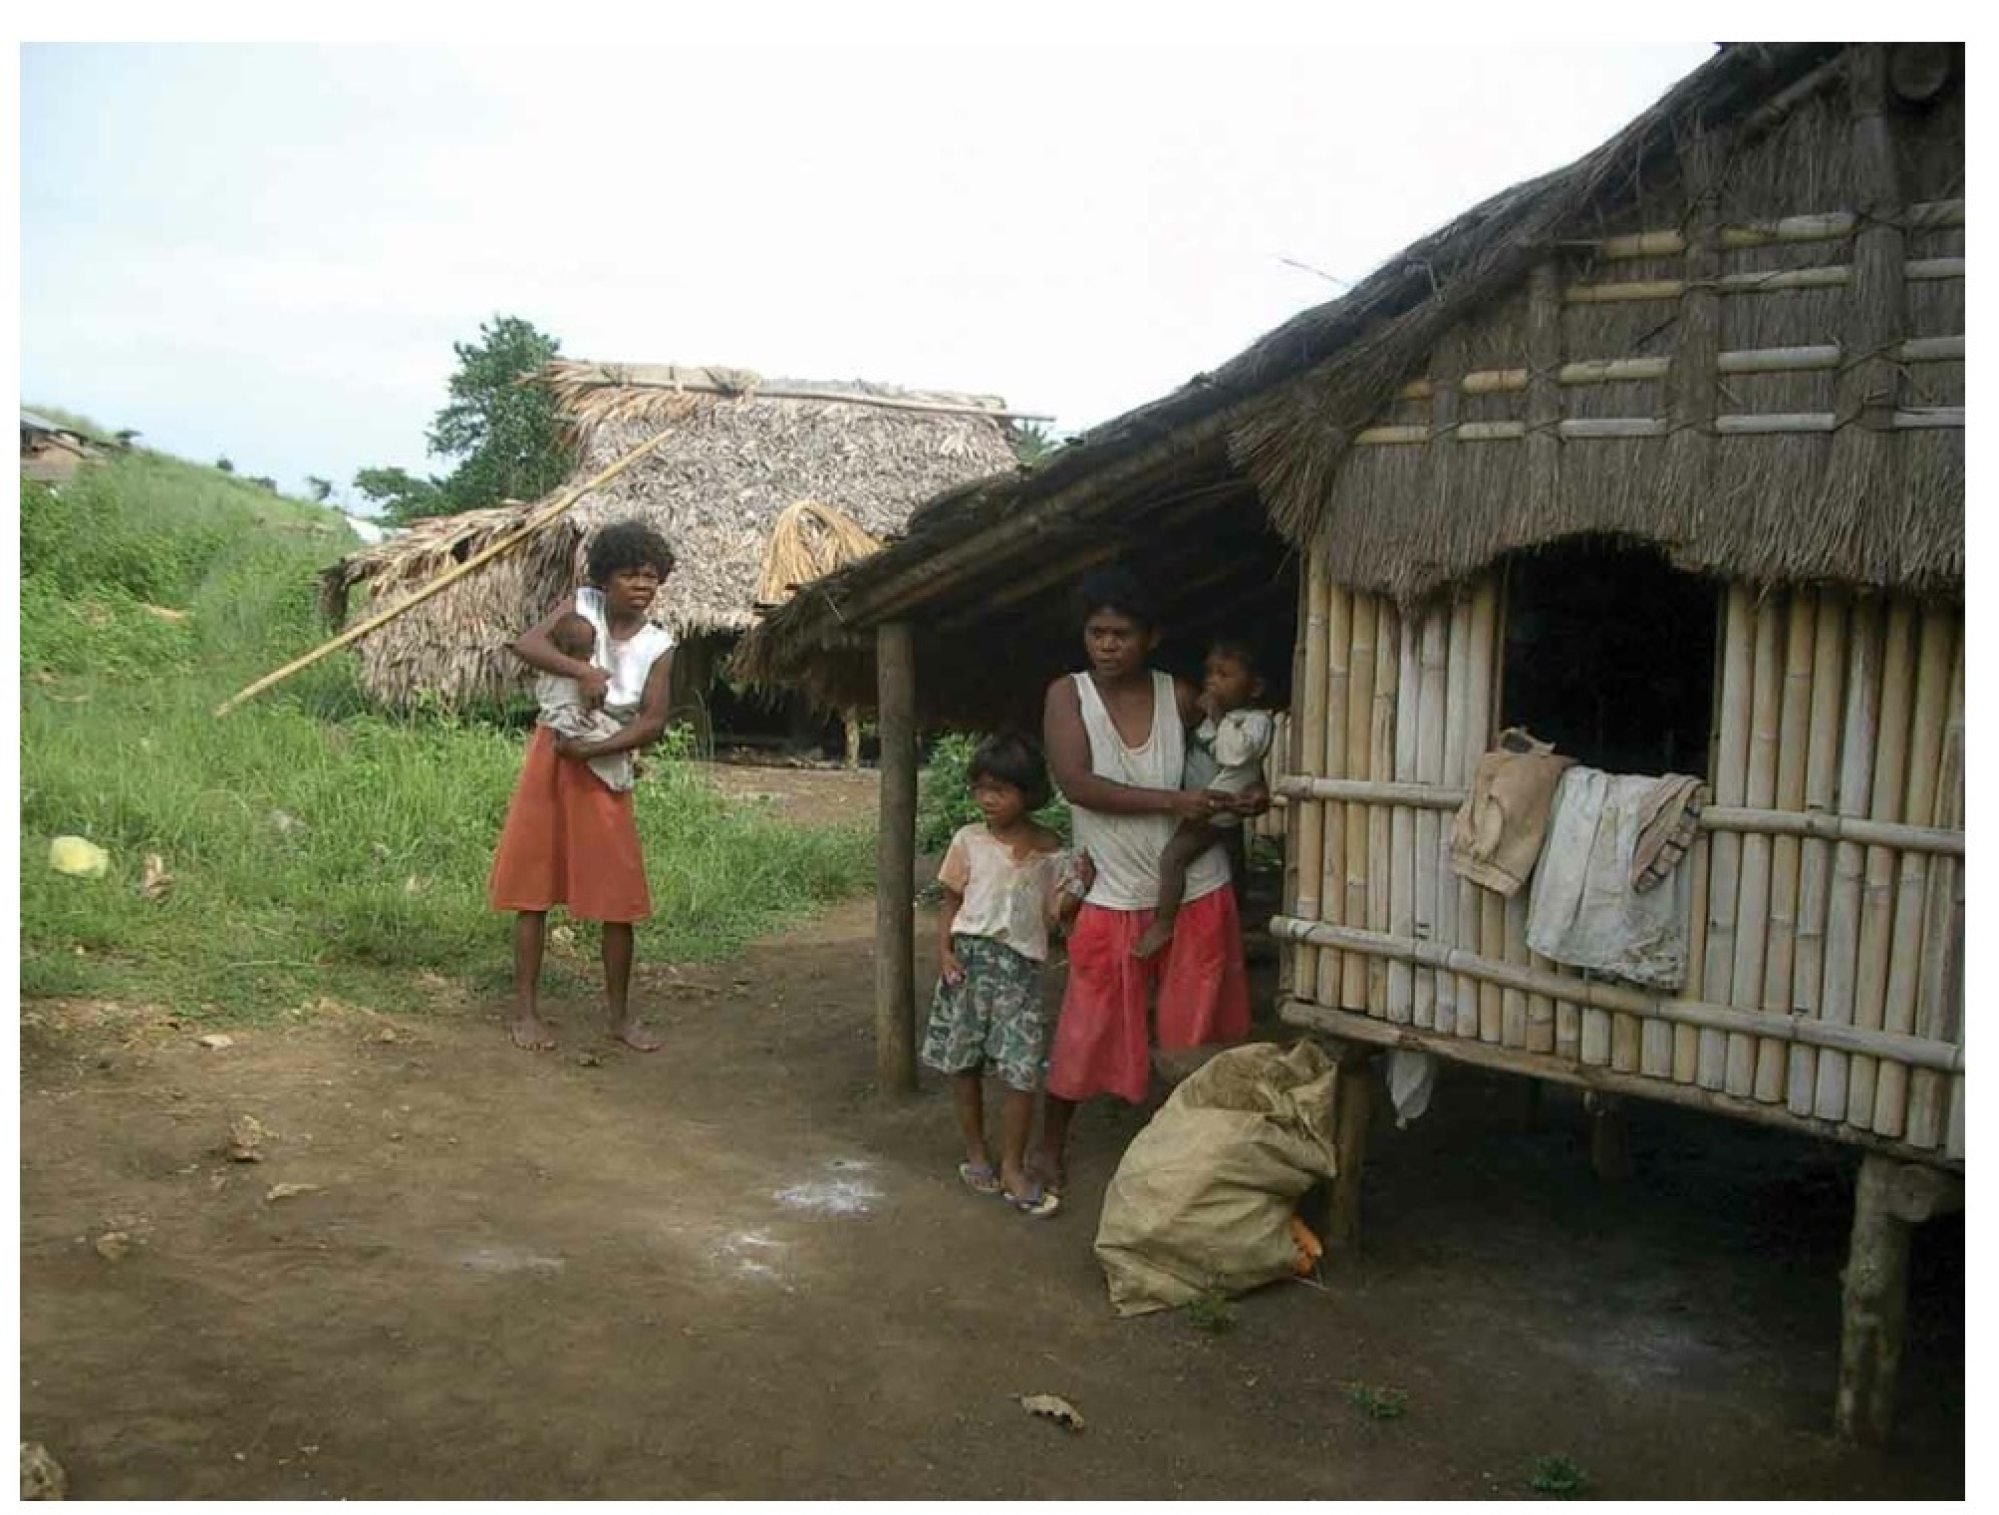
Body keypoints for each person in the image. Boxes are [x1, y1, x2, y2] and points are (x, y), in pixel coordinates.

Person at [1036, 568, 1261, 1196]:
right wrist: (1175, 800)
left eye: (1122, 633)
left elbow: (1231, 753)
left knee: (1195, 1032)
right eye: (1096, 632)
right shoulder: (1067, 695)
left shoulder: (1181, 696)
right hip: (1113, 892)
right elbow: (1077, 784)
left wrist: (1245, 795)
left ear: (1152, 637)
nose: (1106, 645)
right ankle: (1050, 1147)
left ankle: (1188, 1163)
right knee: (1088, 1025)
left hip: (1197, 887)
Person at [488, 520, 678, 1054]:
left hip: (604, 760)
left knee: (618, 895)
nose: (642, 585)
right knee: (534, 883)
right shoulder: (582, 608)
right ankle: (525, 1012)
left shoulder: (660, 645)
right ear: (605, 578)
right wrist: (582, 670)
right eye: (630, 574)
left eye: (651, 576)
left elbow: (652, 721)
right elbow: (525, 644)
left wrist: (594, 751)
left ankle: (618, 1017)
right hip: (552, 756)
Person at [921, 733, 1090, 1218]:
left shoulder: (1049, 848)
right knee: (964, 1061)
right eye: (980, 789)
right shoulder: (968, 841)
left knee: (1021, 1070)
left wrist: (1080, 886)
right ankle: (976, 1152)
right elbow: (949, 902)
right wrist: (945, 953)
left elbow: (1058, 913)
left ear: (1030, 792)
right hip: (970, 963)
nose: (988, 800)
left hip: (1020, 970)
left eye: (1001, 790)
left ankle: (1013, 1164)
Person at [1130, 638, 1273, 960]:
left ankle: (1163, 923)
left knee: (1173, 858)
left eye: (1224, 675)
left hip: (1220, 807)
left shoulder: (1256, 722)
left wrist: (1219, 716)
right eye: (1210, 673)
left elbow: (1234, 753)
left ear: (1255, 687)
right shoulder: (1207, 717)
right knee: (1226, 859)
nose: (1212, 682)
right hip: (1204, 802)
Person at [534, 612, 636, 793]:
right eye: (585, 648)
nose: (590, 653)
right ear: (566, 649)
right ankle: (621, 773)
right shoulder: (572, 673)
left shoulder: (566, 671)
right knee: (604, 742)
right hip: (568, 724)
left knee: (616, 731)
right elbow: (587, 703)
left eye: (591, 646)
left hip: (574, 720)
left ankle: (625, 763)